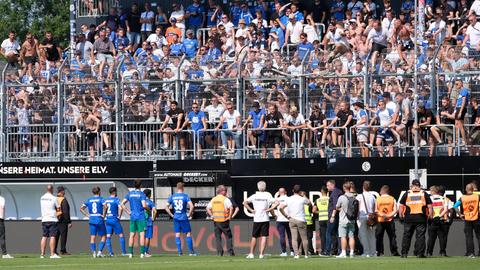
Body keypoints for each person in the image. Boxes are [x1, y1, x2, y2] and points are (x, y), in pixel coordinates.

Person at [271, 185, 311, 259]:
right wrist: (304, 195)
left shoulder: (289, 199)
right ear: (300, 191)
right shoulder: (302, 199)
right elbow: (309, 203)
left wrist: (287, 216)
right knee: (304, 238)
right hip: (301, 220)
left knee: (294, 238)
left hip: (292, 220)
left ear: (293, 191)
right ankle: (306, 255)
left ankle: (296, 255)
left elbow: (281, 208)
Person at [399, 179, 433, 258]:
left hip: (408, 218)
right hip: (421, 218)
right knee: (420, 236)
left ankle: (404, 253)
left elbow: (401, 206)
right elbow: (430, 207)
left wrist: (400, 216)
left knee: (406, 236)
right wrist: (430, 217)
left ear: (412, 185)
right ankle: (420, 254)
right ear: (419, 185)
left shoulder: (407, 193)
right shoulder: (424, 193)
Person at [243, 181, 275, 259]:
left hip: (257, 219)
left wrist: (251, 210)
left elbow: (244, 203)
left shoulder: (254, 196)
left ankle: (251, 254)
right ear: (265, 187)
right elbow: (277, 202)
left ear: (258, 187)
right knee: (264, 236)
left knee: (254, 236)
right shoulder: (268, 196)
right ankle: (261, 254)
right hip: (265, 219)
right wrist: (270, 209)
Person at [165, 182, 196, 256]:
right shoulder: (185, 196)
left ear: (177, 187)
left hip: (176, 217)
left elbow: (166, 207)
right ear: (183, 188)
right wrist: (189, 214)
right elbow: (191, 206)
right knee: (188, 233)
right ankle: (191, 252)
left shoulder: (172, 196)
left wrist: (171, 215)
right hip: (183, 217)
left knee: (177, 234)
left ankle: (180, 252)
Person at [122, 179, 148, 258]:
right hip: (140, 216)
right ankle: (142, 253)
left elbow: (122, 203)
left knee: (132, 235)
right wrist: (148, 210)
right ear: (141, 186)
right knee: (142, 235)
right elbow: (144, 205)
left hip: (133, 217)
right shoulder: (142, 194)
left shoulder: (130, 194)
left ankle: (130, 253)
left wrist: (128, 212)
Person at [206, 185, 234, 256]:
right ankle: (230, 252)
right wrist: (230, 216)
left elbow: (207, 208)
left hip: (216, 221)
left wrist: (212, 216)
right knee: (228, 237)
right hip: (224, 220)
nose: (226, 192)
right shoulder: (225, 199)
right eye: (225, 190)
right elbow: (231, 207)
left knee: (218, 237)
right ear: (222, 191)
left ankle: (219, 252)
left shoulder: (214, 199)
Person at [331, 181, 356, 258]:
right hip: (352, 219)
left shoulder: (342, 197)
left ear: (344, 188)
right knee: (351, 236)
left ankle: (344, 252)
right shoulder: (354, 197)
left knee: (343, 236)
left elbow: (337, 207)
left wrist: (341, 209)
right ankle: (352, 252)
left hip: (343, 220)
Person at [80, 186, 106, 258]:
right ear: (99, 192)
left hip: (92, 219)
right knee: (103, 236)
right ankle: (99, 252)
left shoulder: (89, 200)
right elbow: (105, 206)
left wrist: (87, 215)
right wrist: (104, 215)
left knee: (92, 237)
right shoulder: (101, 199)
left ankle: (94, 253)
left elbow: (81, 208)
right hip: (99, 219)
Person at [375, 185, 400, 256]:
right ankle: (394, 252)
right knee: (392, 237)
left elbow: (376, 210)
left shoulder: (378, 199)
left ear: (382, 191)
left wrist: (383, 215)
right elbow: (396, 210)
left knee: (379, 237)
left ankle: (379, 252)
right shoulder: (392, 199)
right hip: (390, 220)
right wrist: (389, 215)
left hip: (380, 220)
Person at [457, 183, 480, 258]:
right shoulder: (477, 196)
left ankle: (471, 253)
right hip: (477, 218)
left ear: (466, 189)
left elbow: (455, 206)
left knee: (469, 237)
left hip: (467, 219)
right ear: (473, 190)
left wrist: (460, 214)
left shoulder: (462, 198)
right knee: (479, 236)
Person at [103, 187, 127, 257]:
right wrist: (119, 216)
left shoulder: (106, 200)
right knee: (121, 235)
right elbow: (121, 208)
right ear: (114, 192)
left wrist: (104, 216)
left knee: (108, 236)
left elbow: (104, 208)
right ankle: (123, 252)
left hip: (108, 220)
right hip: (114, 219)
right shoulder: (116, 199)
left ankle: (111, 253)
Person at [426, 185, 449, 257]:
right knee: (442, 237)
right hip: (441, 219)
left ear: (433, 191)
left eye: (430, 190)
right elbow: (446, 210)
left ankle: (429, 253)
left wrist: (431, 217)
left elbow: (428, 209)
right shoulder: (443, 198)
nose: (430, 192)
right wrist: (440, 216)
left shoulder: (429, 199)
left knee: (431, 237)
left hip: (432, 220)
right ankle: (443, 252)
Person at [40, 185, 61, 259]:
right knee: (52, 236)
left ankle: (42, 254)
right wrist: (58, 216)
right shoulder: (54, 198)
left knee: (44, 236)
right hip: (52, 219)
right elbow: (58, 209)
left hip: (44, 219)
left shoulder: (42, 198)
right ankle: (52, 254)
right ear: (52, 189)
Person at [356, 181, 377, 257]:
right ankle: (373, 252)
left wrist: (357, 216)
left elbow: (357, 208)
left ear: (363, 187)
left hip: (362, 217)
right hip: (371, 217)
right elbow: (374, 208)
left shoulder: (359, 196)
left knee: (362, 235)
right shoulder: (373, 196)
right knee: (371, 235)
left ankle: (366, 252)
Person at [274, 188, 294, 256]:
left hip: (280, 220)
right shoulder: (289, 199)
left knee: (282, 236)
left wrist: (274, 216)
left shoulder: (277, 200)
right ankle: (292, 252)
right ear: (285, 192)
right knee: (290, 236)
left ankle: (284, 252)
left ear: (279, 193)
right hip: (288, 219)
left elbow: (272, 208)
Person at [325, 180, 343, 256]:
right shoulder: (337, 191)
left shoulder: (335, 192)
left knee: (328, 233)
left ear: (332, 185)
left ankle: (327, 251)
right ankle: (337, 251)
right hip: (337, 216)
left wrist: (332, 216)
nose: (327, 187)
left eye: (328, 185)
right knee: (336, 234)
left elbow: (336, 206)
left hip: (334, 216)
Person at [54, 186, 71, 256]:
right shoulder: (63, 200)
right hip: (62, 220)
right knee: (63, 236)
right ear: (61, 191)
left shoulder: (54, 199)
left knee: (55, 236)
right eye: (64, 191)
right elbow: (65, 211)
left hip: (55, 219)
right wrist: (68, 221)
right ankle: (63, 250)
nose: (64, 192)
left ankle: (54, 250)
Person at [313, 186, 329, 256]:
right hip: (329, 219)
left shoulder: (318, 200)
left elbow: (313, 210)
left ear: (321, 192)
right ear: (327, 192)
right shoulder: (330, 199)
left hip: (321, 219)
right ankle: (330, 251)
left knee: (323, 236)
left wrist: (320, 212)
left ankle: (323, 251)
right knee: (330, 235)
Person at [144, 189, 156, 257]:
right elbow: (155, 211)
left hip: (141, 221)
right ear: (149, 194)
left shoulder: (141, 201)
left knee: (142, 236)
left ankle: (142, 253)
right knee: (147, 237)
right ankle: (145, 252)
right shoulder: (150, 202)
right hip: (148, 221)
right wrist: (153, 218)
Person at [0, 191, 12, 259]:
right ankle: (4, 254)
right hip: (0, 219)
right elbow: (2, 207)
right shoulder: (2, 199)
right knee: (2, 237)